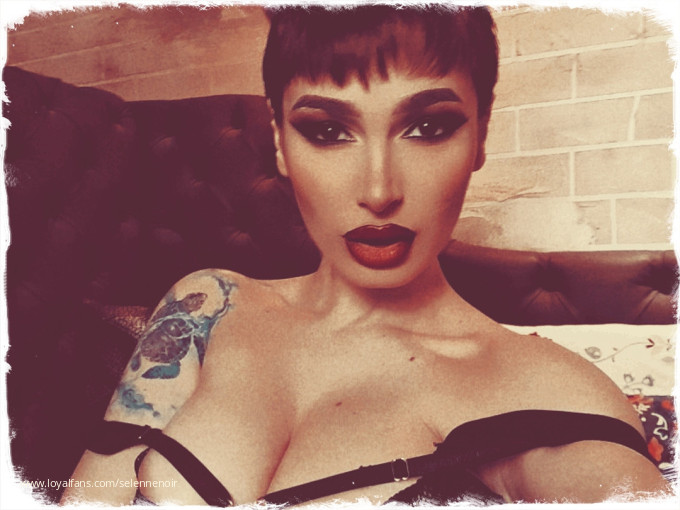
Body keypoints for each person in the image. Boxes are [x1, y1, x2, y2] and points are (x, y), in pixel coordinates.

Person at [61, 5, 670, 506]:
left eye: (428, 128)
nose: (379, 190)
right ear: (280, 143)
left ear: (481, 135)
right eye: (327, 131)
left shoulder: (554, 393)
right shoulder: (208, 302)